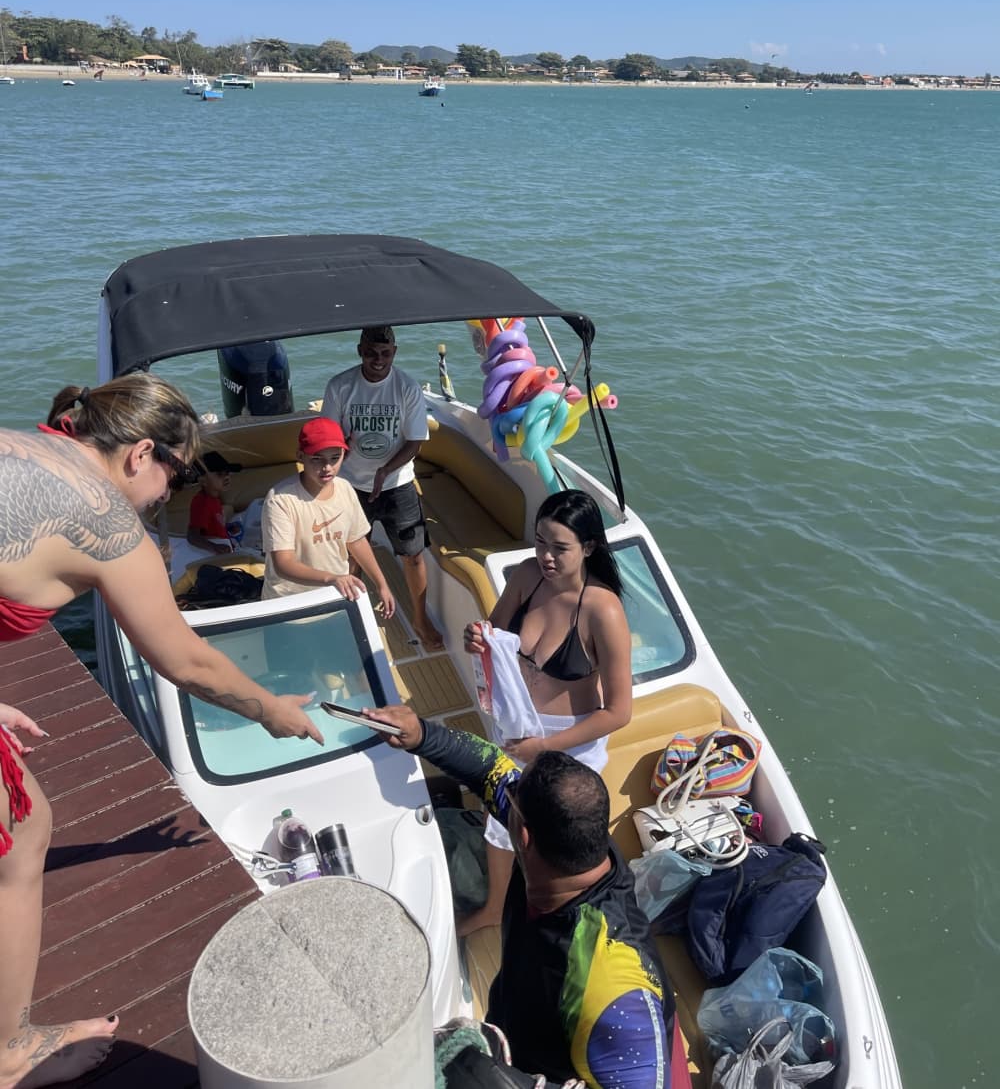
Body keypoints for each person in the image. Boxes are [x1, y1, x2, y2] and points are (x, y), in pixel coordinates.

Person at [0, 375, 323, 1089]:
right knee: (21, 835)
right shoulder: (109, 526)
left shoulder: (20, 444)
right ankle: (8, 1054)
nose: (164, 501)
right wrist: (271, 710)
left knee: (28, 825)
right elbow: (187, 660)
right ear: (141, 452)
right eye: (172, 479)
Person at [367, 705, 674, 1087]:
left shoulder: (616, 987)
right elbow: (490, 770)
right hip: (515, 1026)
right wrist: (422, 735)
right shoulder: (572, 847)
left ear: (523, 836)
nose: (502, 795)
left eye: (509, 803)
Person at [460, 489, 632, 935]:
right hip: (517, 723)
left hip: (570, 738)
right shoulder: (526, 576)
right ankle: (496, 907)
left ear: (589, 547)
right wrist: (476, 638)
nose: (546, 557)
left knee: (558, 832)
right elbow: (492, 631)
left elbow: (618, 712)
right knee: (501, 817)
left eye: (560, 548)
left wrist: (546, 746)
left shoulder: (602, 610)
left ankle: (564, 912)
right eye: (540, 542)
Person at [321, 325, 442, 649]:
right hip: (349, 484)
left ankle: (420, 617)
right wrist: (340, 449)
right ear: (360, 350)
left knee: (414, 555)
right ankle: (348, 614)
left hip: (397, 483)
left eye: (385, 353)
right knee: (350, 557)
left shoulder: (407, 388)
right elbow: (329, 438)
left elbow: (415, 441)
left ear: (394, 352)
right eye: (371, 353)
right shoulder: (340, 386)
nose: (378, 360)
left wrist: (385, 471)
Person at [260, 417, 395, 616]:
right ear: (300, 456)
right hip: (288, 607)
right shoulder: (280, 499)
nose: (327, 467)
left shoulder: (346, 489)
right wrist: (331, 578)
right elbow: (283, 564)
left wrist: (381, 584)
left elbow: (356, 540)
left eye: (335, 457)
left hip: (335, 598)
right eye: (317, 458)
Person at [186, 450, 242, 555]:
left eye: (227, 473)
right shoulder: (202, 502)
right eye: (220, 474)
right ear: (203, 481)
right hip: (213, 555)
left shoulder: (214, 499)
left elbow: (212, 527)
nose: (226, 477)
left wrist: (228, 528)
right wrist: (214, 547)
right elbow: (192, 536)